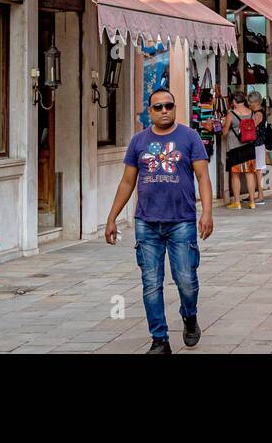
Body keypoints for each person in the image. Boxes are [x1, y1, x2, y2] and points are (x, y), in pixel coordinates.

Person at [105, 87, 213, 354]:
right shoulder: (138, 142)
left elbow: (203, 177)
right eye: (158, 107)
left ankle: (189, 317)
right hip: (147, 223)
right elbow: (127, 182)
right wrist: (111, 218)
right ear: (149, 112)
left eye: (169, 106)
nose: (164, 111)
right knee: (151, 283)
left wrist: (207, 212)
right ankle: (159, 340)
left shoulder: (189, 137)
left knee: (186, 280)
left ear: (175, 108)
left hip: (182, 222)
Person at [223, 91, 257, 209]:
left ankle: (237, 202)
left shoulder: (231, 114)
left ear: (234, 102)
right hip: (249, 147)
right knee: (250, 174)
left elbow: (225, 132)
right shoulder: (252, 113)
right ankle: (252, 201)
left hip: (235, 148)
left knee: (235, 175)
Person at [248, 91, 270, 205]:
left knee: (258, 170)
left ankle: (260, 195)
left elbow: (251, 127)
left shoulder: (258, 114)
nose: (249, 104)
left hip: (258, 144)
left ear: (256, 102)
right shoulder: (259, 111)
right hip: (258, 144)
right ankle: (253, 193)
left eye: (251, 102)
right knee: (256, 169)